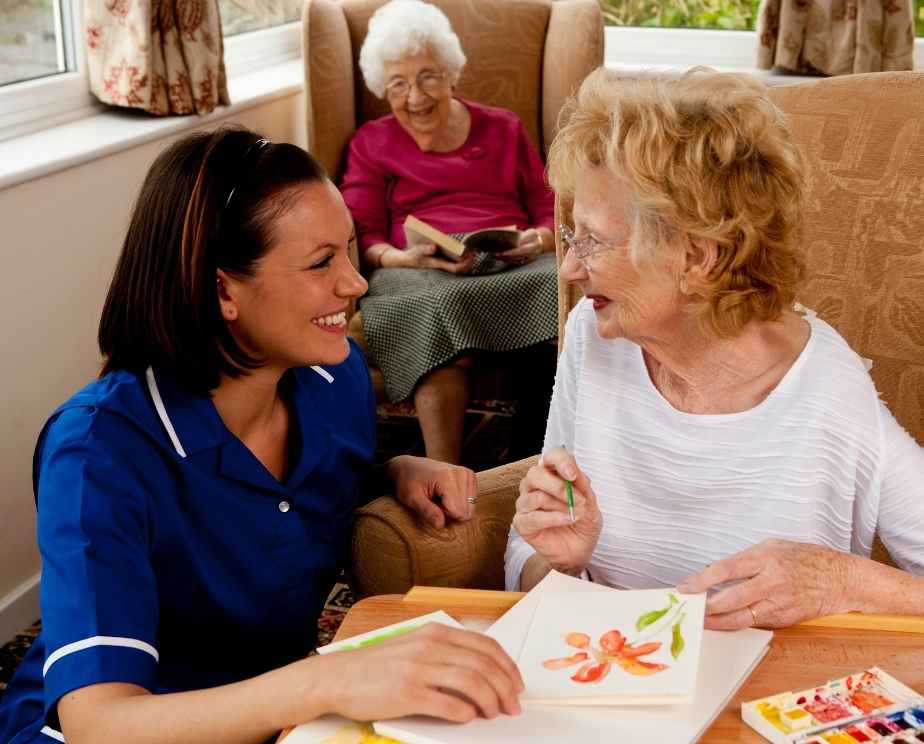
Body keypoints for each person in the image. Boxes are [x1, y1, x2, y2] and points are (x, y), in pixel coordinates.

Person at [0, 128, 524, 744]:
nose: (355, 284)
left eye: (350, 251)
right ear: (223, 289)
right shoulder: (95, 454)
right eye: (321, 262)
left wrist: (395, 468)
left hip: (279, 722)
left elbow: (292, 495)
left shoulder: (334, 376)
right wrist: (327, 680)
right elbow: (99, 722)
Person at [505, 68, 924, 630]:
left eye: (594, 241)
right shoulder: (596, 333)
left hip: (759, 706)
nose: (569, 266)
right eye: (570, 235)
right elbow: (530, 550)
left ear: (698, 257)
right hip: (604, 679)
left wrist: (838, 579)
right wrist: (557, 564)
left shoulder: (824, 389)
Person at [340, 0, 558, 465]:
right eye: (398, 83)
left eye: (428, 77)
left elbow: (548, 208)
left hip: (511, 264)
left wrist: (535, 241)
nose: (415, 96)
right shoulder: (371, 142)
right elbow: (362, 232)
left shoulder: (503, 127)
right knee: (433, 303)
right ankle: (444, 473)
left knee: (563, 283)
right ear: (383, 88)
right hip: (418, 271)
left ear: (452, 74)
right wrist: (403, 258)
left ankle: (534, 459)